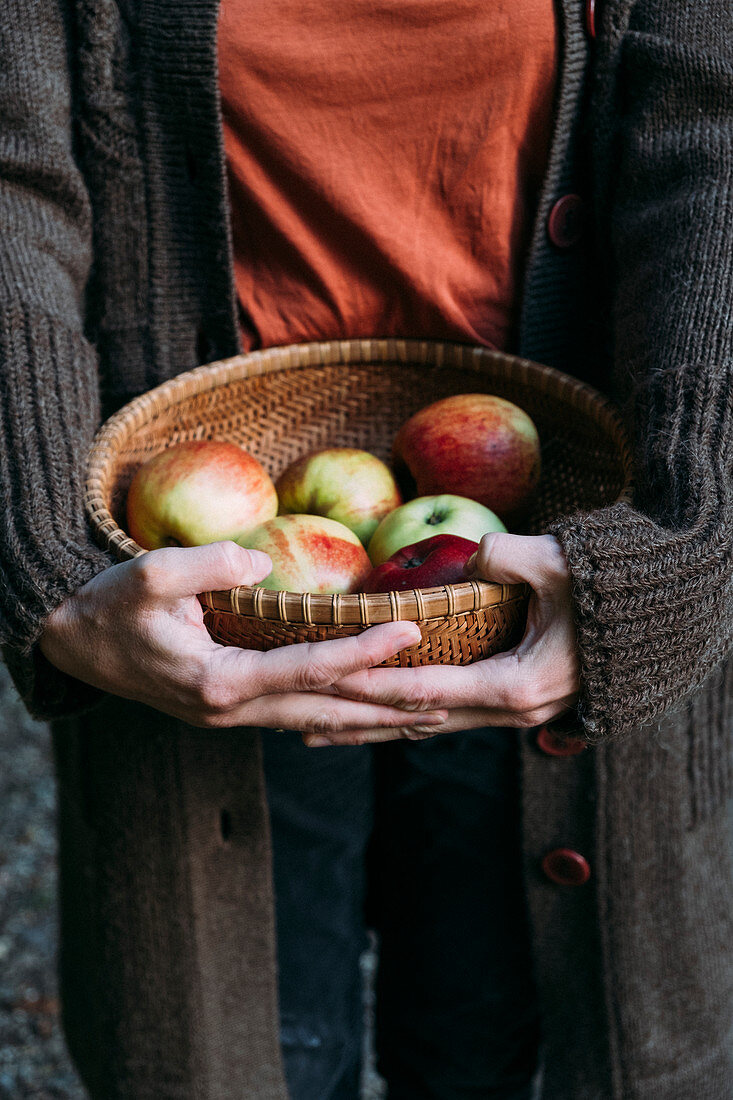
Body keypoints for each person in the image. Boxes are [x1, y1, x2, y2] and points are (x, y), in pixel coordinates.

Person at [1, 1, 731, 1097]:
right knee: (245, 1048)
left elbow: (710, 132)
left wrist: (684, 544)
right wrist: (53, 569)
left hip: (560, 535)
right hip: (213, 584)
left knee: (515, 1033)